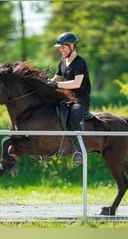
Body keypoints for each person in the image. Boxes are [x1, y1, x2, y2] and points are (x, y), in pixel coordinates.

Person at [48, 32, 91, 165]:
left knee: (73, 116)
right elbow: (56, 78)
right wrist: (45, 82)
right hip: (67, 98)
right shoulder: (62, 61)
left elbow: (76, 83)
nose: (61, 50)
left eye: (63, 47)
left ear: (72, 46)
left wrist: (56, 84)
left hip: (80, 101)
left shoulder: (80, 63)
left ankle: (78, 151)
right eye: (60, 47)